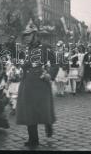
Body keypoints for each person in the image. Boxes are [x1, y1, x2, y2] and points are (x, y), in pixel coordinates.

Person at [16, 20, 58, 148]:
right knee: (29, 111)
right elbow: (24, 64)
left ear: (35, 35)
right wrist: (20, 68)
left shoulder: (45, 47)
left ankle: (48, 125)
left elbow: (55, 62)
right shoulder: (25, 49)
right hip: (27, 83)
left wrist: (49, 74)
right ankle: (33, 139)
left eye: (29, 35)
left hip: (41, 83)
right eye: (25, 36)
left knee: (43, 110)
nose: (26, 38)